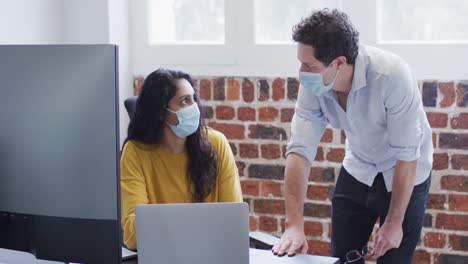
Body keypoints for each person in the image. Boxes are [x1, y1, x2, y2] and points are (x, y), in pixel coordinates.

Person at [272, 9, 433, 264]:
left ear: (339, 63)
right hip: (359, 165)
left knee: (394, 257)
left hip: (405, 170)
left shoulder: (392, 75)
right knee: (341, 258)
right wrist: (293, 224)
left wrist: (393, 223)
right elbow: (299, 151)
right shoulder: (315, 82)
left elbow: (407, 154)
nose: (301, 72)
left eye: (308, 65)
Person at [120, 68, 243, 250]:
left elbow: (234, 223)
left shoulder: (216, 144)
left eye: (194, 98)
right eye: (184, 101)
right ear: (161, 111)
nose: (194, 107)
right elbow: (132, 234)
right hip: (162, 256)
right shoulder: (135, 152)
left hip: (211, 254)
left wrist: (165, 226)